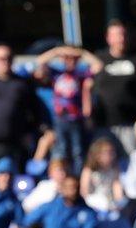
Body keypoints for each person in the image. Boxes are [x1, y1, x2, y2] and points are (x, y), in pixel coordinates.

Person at [0, 43, 51, 171]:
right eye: (1, 59)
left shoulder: (22, 84)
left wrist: (29, 133)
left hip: (16, 147)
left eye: (8, 58)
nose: (5, 62)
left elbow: (36, 112)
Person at [34, 45, 102, 173]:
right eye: (67, 58)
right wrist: (56, 52)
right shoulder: (57, 74)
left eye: (73, 59)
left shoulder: (81, 75)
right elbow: (39, 62)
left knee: (78, 150)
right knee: (61, 149)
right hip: (59, 119)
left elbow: (98, 65)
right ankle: (63, 175)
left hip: (76, 118)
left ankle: (77, 176)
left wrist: (81, 53)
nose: (70, 61)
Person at [93, 20, 136, 155]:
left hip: (132, 124)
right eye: (116, 35)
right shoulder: (99, 59)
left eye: (123, 34)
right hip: (105, 125)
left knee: (131, 163)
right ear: (108, 38)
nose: (121, 39)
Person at [23, 175, 97, 228]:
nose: (73, 190)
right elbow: (28, 221)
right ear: (61, 189)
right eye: (69, 187)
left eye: (76, 187)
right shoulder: (50, 207)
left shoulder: (88, 212)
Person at [80, 138, 124, 212]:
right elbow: (84, 191)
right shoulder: (88, 170)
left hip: (110, 200)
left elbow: (117, 186)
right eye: (107, 153)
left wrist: (119, 201)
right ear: (97, 155)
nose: (111, 156)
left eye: (112, 153)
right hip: (94, 200)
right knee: (103, 202)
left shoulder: (114, 168)